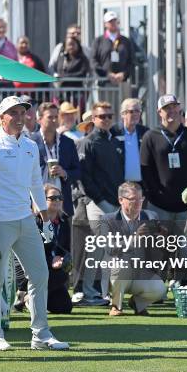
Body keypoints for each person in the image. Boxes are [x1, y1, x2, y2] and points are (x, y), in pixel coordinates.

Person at [0, 95, 69, 351]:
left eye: (22, 112)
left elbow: (36, 183)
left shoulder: (30, 146)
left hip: (25, 219)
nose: (19, 117)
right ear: (1, 118)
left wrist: (44, 216)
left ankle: (41, 334)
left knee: (40, 274)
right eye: (13, 113)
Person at [78, 101, 125, 306]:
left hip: (116, 203)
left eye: (109, 116)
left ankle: (104, 293)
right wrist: (101, 202)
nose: (105, 120)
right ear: (93, 119)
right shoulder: (88, 142)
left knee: (109, 251)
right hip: (97, 204)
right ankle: (90, 292)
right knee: (99, 249)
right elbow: (85, 179)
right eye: (101, 116)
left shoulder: (115, 141)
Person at [103, 182, 166, 316]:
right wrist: (134, 238)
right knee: (122, 264)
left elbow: (158, 249)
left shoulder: (151, 216)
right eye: (133, 199)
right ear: (121, 200)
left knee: (160, 289)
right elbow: (109, 249)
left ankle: (137, 303)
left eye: (140, 199)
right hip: (116, 272)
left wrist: (162, 238)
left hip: (141, 271)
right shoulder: (107, 219)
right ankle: (116, 306)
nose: (138, 203)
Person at [140, 94, 187, 222]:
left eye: (174, 107)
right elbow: (145, 171)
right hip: (159, 206)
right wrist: (155, 195)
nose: (171, 111)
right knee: (160, 242)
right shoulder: (150, 136)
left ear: (179, 109)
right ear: (159, 112)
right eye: (167, 108)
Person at [15, 184, 73, 314]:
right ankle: (26, 294)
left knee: (64, 307)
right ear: (41, 200)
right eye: (52, 198)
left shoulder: (64, 222)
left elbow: (66, 249)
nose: (57, 201)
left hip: (53, 270)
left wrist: (65, 259)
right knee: (55, 272)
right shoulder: (33, 221)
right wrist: (51, 260)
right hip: (28, 268)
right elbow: (30, 253)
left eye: (59, 197)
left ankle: (28, 298)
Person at [29, 102, 81, 217]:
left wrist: (65, 172)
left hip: (62, 204)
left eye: (55, 117)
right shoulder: (30, 142)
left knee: (63, 235)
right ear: (39, 120)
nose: (53, 120)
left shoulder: (68, 142)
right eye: (49, 117)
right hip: (37, 203)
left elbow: (78, 171)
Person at [91, 10, 134, 105]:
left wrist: (123, 74)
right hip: (104, 83)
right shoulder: (98, 41)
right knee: (106, 109)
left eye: (115, 21)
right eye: (110, 21)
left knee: (124, 109)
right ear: (105, 24)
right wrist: (107, 74)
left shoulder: (125, 41)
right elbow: (93, 61)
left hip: (122, 82)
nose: (113, 23)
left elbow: (131, 61)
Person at [113, 98, 149, 184]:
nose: (136, 114)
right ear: (123, 114)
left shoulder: (145, 132)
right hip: (119, 184)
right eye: (132, 111)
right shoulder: (113, 132)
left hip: (141, 184)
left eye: (138, 111)